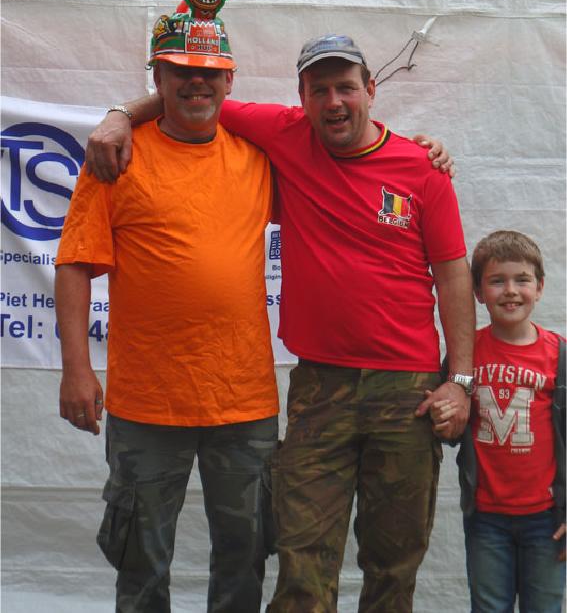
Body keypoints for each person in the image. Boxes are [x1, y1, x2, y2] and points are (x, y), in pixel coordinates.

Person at [86, 31, 475, 612]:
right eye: (320, 90)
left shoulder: (422, 168)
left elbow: (453, 275)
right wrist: (119, 115)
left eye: (346, 87)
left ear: (371, 90)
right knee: (301, 557)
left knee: (393, 563)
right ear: (302, 98)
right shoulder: (286, 134)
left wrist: (460, 381)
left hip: (408, 389)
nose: (334, 102)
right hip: (320, 386)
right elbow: (191, 96)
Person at [55, 0, 279, 613]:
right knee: (140, 559)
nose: (195, 83)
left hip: (244, 400)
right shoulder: (116, 157)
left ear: (229, 78)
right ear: (157, 75)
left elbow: (343, 153)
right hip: (147, 403)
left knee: (245, 553)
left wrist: (418, 150)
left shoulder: (258, 155)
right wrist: (76, 371)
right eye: (180, 70)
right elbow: (74, 266)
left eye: (209, 71)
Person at [431, 230, 566, 613]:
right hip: (486, 517)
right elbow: (450, 428)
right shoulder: (465, 354)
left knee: (544, 607)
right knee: (489, 607)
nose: (510, 291)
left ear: (539, 287)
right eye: (496, 281)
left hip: (548, 519)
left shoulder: (560, 356)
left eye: (521, 279)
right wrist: (443, 418)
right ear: (477, 292)